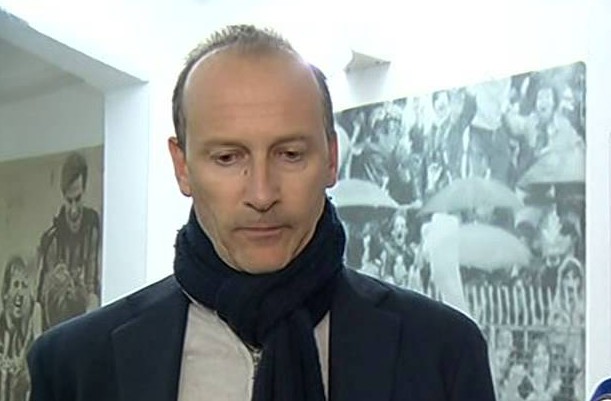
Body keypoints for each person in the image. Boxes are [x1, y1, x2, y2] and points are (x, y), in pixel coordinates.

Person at [27, 24, 496, 401]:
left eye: (290, 154)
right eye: (227, 157)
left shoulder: (442, 351)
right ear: (182, 167)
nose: (262, 193)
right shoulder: (75, 366)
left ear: (331, 159)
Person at [36, 152, 101, 331]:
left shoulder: (93, 227)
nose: (73, 210)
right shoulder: (52, 239)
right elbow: (41, 302)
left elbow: (92, 290)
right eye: (69, 200)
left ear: (84, 191)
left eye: (78, 199)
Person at [0, 256, 35, 401]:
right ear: (6, 293)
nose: (20, 293)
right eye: (15, 285)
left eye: (24, 286)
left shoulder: (32, 332)